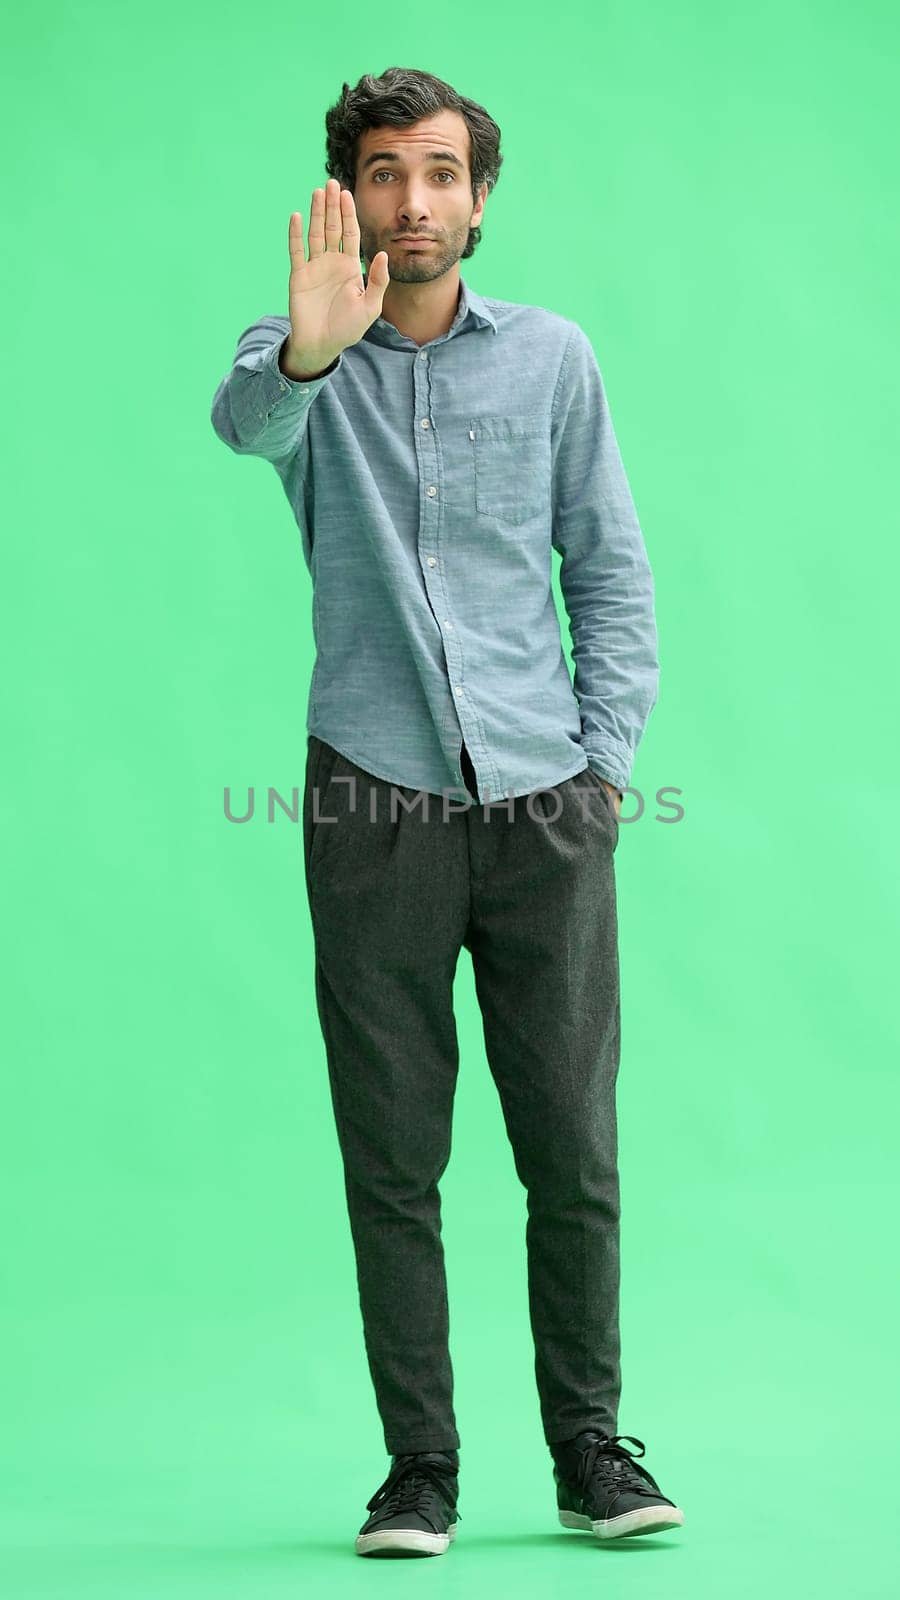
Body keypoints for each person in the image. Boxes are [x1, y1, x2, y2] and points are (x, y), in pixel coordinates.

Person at [211, 65, 684, 1559]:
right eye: (382, 172)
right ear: (346, 192)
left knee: (573, 1148)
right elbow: (241, 428)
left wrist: (605, 762)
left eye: (438, 173)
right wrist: (306, 353)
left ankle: (591, 1452)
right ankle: (419, 1469)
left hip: (546, 801)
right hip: (373, 798)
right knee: (393, 1152)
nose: (411, 201)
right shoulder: (293, 356)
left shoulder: (552, 360)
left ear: (480, 196)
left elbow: (608, 569)